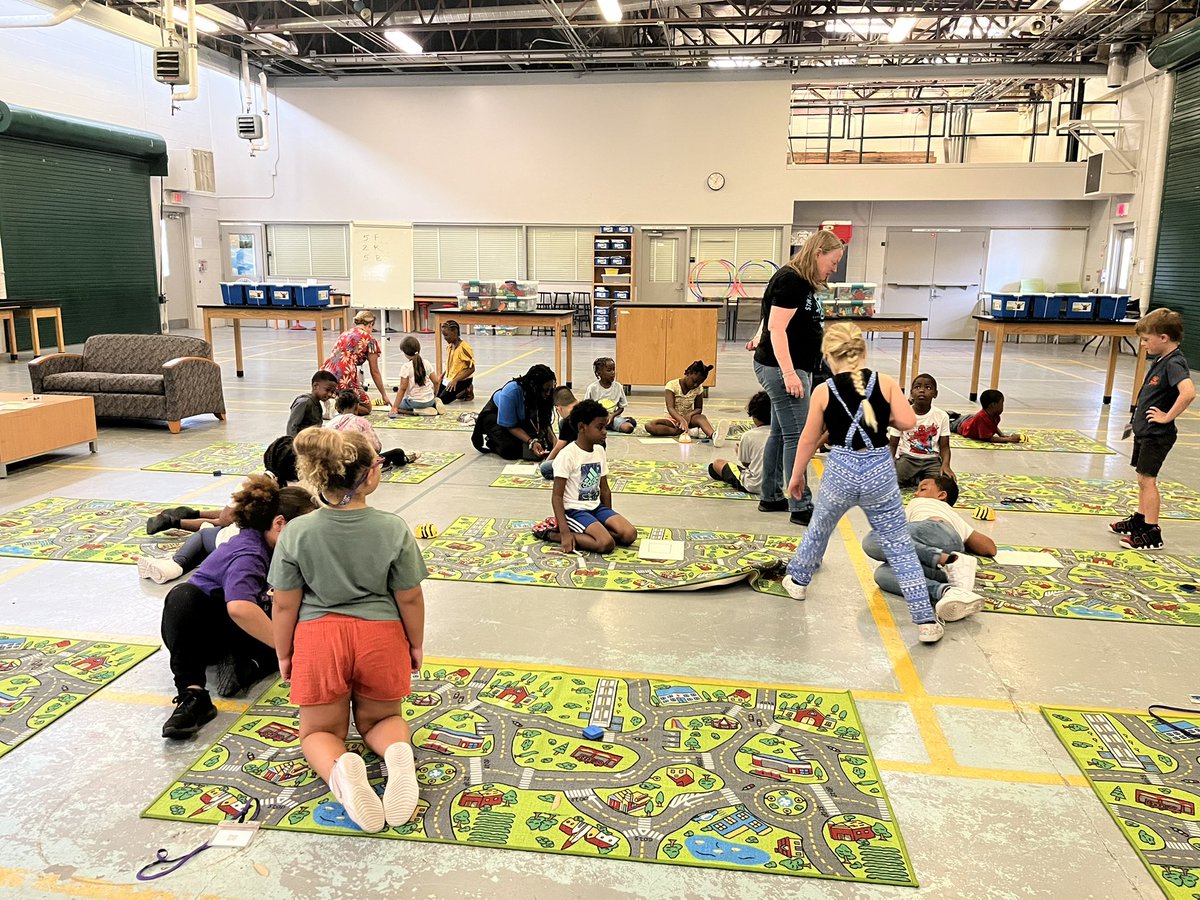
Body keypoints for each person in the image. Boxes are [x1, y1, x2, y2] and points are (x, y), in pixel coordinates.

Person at [269, 427, 426, 833]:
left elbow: (285, 602)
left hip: (320, 639)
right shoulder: (393, 529)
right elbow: (409, 597)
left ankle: (341, 770)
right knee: (381, 719)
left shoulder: (297, 533)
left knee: (319, 731)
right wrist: (415, 644)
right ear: (370, 475)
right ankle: (396, 755)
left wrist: (285, 654)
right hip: (382, 636)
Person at [779, 323, 945, 644]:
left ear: (828, 356)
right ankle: (925, 620)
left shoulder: (823, 390)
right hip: (879, 468)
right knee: (897, 543)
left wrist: (797, 475)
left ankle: (798, 582)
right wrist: (885, 417)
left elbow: (808, 439)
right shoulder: (885, 382)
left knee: (820, 527)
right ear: (864, 351)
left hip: (840, 466)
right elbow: (909, 422)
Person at [160, 475, 317, 738]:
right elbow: (240, 608)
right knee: (182, 596)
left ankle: (248, 665)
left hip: (241, 629)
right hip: (203, 632)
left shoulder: (282, 549)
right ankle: (194, 695)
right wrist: (289, 651)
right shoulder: (249, 552)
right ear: (280, 524)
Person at [751, 230, 845, 526]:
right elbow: (777, 328)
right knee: (798, 437)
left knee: (781, 433)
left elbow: (771, 318)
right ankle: (800, 505)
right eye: (833, 261)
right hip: (783, 369)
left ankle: (771, 496)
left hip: (794, 366)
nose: (834, 268)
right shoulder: (791, 280)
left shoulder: (802, 282)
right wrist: (790, 373)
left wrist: (758, 335)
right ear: (818, 253)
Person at [1110, 308, 1196, 550]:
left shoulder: (1175, 362)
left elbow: (1188, 393)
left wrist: (1167, 416)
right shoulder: (1161, 359)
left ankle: (1151, 531)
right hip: (1145, 432)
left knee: (1148, 480)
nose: (1144, 344)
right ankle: (1140, 519)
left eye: (1147, 339)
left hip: (1157, 435)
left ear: (1164, 338)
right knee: (1141, 478)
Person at [863, 475, 995, 621]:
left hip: (937, 529)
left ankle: (950, 560)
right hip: (946, 548)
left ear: (941, 495)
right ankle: (948, 592)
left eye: (923, 489)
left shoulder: (919, 502)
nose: (916, 493)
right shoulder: (955, 517)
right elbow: (989, 548)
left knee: (873, 539)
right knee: (882, 574)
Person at [533, 399, 637, 554]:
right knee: (605, 544)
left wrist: (606, 521)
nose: (605, 431)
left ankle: (592, 533)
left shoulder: (599, 451)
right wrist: (565, 534)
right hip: (575, 511)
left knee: (629, 534)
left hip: (597, 508)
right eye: (600, 427)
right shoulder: (568, 455)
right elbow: (556, 496)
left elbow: (605, 490)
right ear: (582, 427)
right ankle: (552, 534)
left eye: (605, 426)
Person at [471, 363, 557, 460]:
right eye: (545, 390)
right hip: (495, 416)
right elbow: (511, 426)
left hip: (519, 419)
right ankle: (492, 440)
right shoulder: (511, 392)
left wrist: (553, 439)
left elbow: (544, 420)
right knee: (511, 450)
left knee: (546, 444)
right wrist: (531, 442)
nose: (548, 393)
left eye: (551, 389)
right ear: (535, 386)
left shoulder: (542, 394)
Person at [888, 373, 954, 487]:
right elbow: (892, 444)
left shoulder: (942, 416)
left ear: (935, 394)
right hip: (908, 459)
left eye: (928, 388)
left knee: (946, 484)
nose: (922, 391)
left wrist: (946, 465)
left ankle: (917, 478)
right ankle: (916, 478)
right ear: (911, 392)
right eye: (917, 387)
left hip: (932, 460)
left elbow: (944, 447)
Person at [328, 390, 419, 470]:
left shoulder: (330, 423)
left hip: (333, 463)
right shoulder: (361, 422)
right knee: (398, 452)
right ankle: (406, 458)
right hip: (356, 465)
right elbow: (376, 447)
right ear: (356, 406)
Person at [322, 310, 391, 408]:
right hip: (345, 373)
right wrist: (384, 395)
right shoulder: (370, 340)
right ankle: (337, 405)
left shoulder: (345, 333)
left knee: (347, 396)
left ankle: (333, 401)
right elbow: (374, 371)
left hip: (328, 369)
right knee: (366, 407)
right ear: (370, 324)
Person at [708, 391, 771, 498]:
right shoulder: (781, 434)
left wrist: (739, 451)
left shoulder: (749, 435)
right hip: (777, 485)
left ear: (753, 415)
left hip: (753, 485)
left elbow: (746, 464)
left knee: (716, 465)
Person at [645, 360, 725, 444]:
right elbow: (670, 408)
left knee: (701, 417)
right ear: (688, 373)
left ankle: (714, 436)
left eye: (698, 383)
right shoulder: (672, 385)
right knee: (650, 426)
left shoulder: (698, 388)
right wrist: (680, 420)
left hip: (689, 420)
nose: (695, 385)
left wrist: (689, 415)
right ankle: (683, 432)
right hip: (672, 420)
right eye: (694, 381)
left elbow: (699, 408)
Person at [389, 336, 444, 417]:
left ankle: (417, 411)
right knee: (430, 400)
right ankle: (435, 403)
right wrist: (434, 394)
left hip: (415, 403)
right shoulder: (426, 363)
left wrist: (394, 407)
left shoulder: (406, 367)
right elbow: (436, 381)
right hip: (429, 400)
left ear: (405, 353)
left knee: (399, 407)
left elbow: (402, 389)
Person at [585, 357, 636, 434]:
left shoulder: (618, 387)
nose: (613, 373)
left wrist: (612, 416)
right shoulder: (592, 388)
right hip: (596, 418)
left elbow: (621, 407)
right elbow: (586, 407)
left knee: (629, 428)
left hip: (613, 417)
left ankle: (617, 423)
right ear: (599, 373)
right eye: (609, 370)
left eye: (613, 369)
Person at [950, 390, 1022, 443]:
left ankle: (955, 415)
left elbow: (992, 426)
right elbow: (987, 438)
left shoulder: (995, 415)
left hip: (971, 418)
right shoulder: (981, 418)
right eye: (1001, 403)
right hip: (961, 425)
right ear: (993, 405)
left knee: (969, 418)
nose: (1003, 406)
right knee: (947, 424)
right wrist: (1009, 439)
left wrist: (1002, 435)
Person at [540, 387, 579, 479]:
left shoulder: (567, 421)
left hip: (580, 461)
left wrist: (547, 460)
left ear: (559, 408)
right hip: (596, 457)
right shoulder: (588, 408)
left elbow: (558, 447)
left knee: (545, 468)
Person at [434, 320, 476, 404]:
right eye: (443, 335)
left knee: (443, 400)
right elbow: (452, 365)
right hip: (450, 378)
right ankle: (460, 393)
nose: (445, 338)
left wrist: (455, 380)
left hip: (462, 380)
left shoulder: (463, 348)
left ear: (454, 332)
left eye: (446, 335)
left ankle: (466, 390)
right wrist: (444, 374)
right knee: (437, 398)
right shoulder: (449, 347)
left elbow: (471, 369)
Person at [288, 371, 338, 437]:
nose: (330, 394)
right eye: (327, 390)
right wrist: (292, 445)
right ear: (315, 386)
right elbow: (292, 427)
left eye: (332, 392)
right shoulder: (305, 402)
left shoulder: (316, 403)